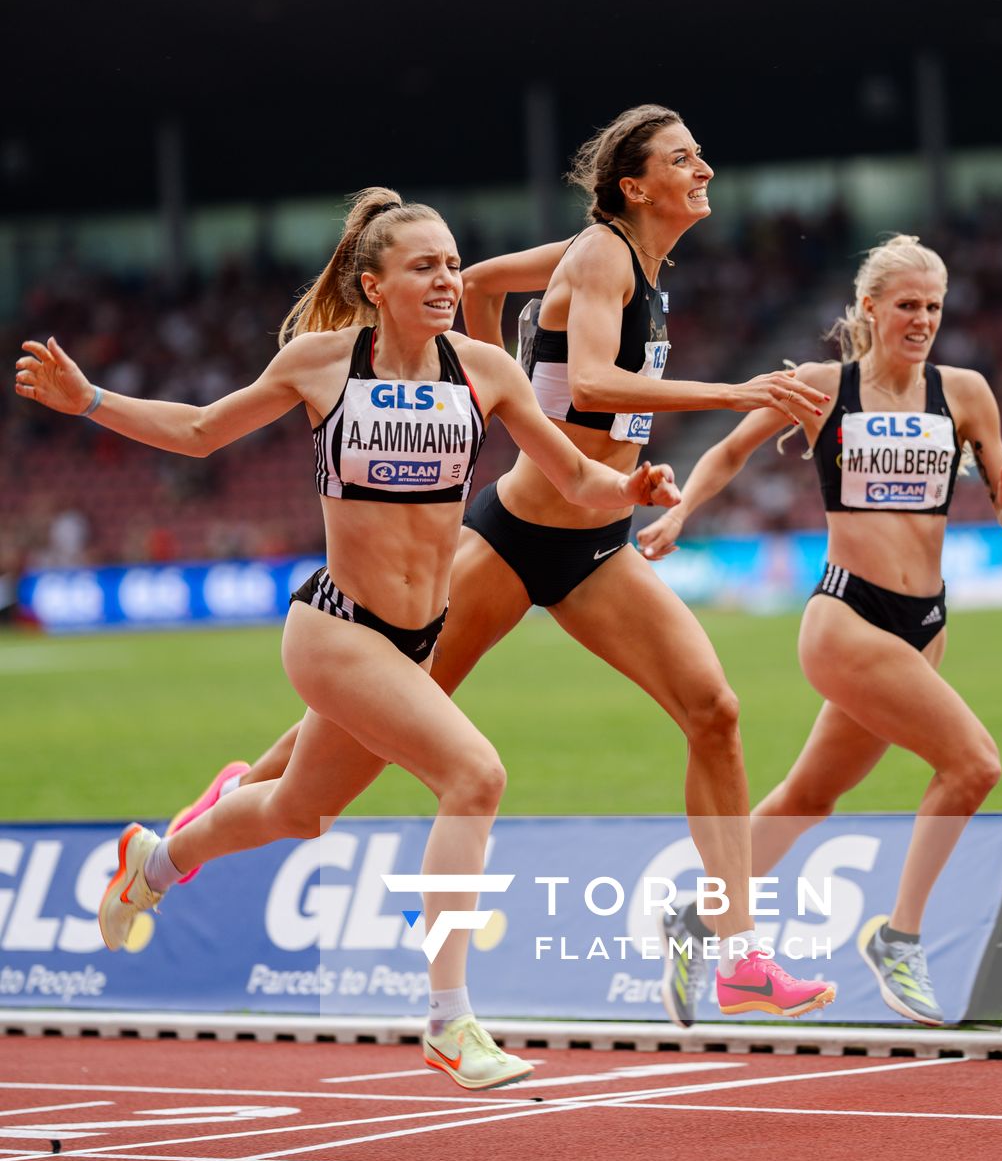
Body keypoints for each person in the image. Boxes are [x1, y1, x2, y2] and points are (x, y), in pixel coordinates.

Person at [165, 106, 838, 1022]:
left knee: (713, 711)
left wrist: (491, 371)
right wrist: (731, 388)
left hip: (596, 543)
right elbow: (594, 381)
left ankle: (740, 954)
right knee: (367, 728)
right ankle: (245, 795)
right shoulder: (603, 255)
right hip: (516, 538)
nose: (706, 168)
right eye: (686, 158)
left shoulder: (626, 260)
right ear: (635, 187)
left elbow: (479, 284)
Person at [14, 186, 682, 1090]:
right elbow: (204, 432)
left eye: (452, 264)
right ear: (374, 284)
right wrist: (90, 399)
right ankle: (451, 1021)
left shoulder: (487, 370)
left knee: (298, 811)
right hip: (332, 628)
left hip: (414, 639)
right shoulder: (321, 363)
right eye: (424, 267)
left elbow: (571, 477)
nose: (447, 279)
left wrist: (629, 491)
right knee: (474, 774)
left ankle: (156, 860)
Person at [639, 233, 1002, 1027]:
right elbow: (730, 450)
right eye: (907, 305)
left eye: (933, 306)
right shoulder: (823, 386)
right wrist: (682, 512)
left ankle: (697, 920)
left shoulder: (964, 392)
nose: (923, 319)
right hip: (846, 615)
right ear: (870, 309)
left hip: (926, 622)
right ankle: (899, 937)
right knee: (972, 765)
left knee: (811, 795)